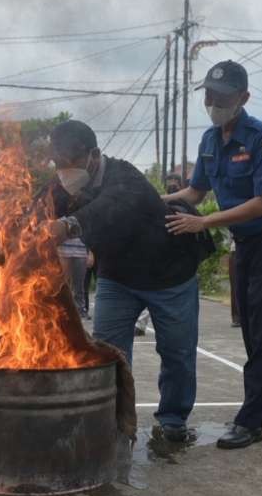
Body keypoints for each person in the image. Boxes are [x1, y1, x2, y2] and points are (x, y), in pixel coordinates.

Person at [166, 60, 262, 451]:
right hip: (245, 244)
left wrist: (204, 224)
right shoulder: (209, 141)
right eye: (208, 95)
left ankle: (251, 420)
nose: (213, 102)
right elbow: (193, 193)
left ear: (243, 98)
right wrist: (152, 200)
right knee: (253, 325)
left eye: (221, 97)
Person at [48, 120, 201, 442]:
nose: (65, 172)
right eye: (59, 164)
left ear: (93, 154)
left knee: (176, 353)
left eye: (71, 163)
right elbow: (42, 213)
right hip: (117, 277)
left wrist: (66, 226)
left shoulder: (126, 177)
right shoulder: (60, 186)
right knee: (107, 351)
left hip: (168, 276)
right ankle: (113, 420)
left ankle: (173, 421)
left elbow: (109, 209)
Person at [58, 236, 90, 319]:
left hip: (81, 251)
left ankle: (80, 310)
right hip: (63, 251)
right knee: (63, 284)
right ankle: (63, 310)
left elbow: (89, 231)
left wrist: (90, 252)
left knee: (79, 284)